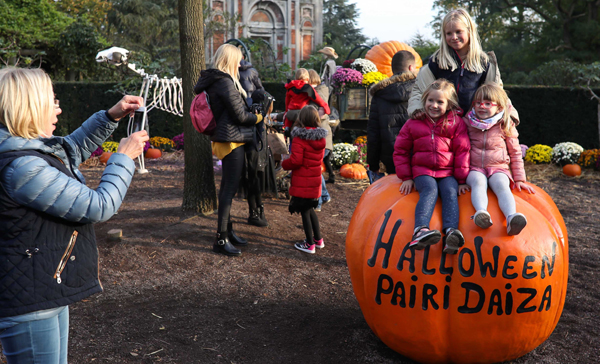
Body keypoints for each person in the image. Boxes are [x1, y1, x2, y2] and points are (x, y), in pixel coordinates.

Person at [0, 67, 148, 364]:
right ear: (30, 107)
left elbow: (68, 150)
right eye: (52, 100)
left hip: (41, 287)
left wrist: (110, 116)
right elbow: (99, 206)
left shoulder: (24, 150)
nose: (59, 107)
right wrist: (123, 158)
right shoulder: (23, 168)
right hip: (29, 302)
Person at [194, 44, 262, 257]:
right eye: (239, 59)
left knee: (228, 189)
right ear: (230, 60)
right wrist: (259, 117)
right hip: (230, 140)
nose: (241, 62)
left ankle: (228, 231)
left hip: (231, 138)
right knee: (228, 190)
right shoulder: (224, 82)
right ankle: (221, 239)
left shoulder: (223, 81)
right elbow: (240, 116)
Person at [394, 79, 470, 254]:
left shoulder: (456, 123)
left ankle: (451, 232)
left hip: (447, 173)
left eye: (440, 102)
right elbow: (400, 150)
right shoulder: (413, 123)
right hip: (423, 171)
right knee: (430, 191)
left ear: (449, 104)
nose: (434, 105)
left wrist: (461, 179)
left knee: (450, 193)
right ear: (424, 100)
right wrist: (406, 177)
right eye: (430, 100)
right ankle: (420, 230)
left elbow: (462, 151)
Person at [407, 8, 514, 120]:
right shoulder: (436, 62)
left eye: (458, 32)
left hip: (474, 126)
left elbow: (498, 94)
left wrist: (510, 116)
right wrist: (417, 108)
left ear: (469, 31)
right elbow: (419, 90)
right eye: (449, 33)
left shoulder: (484, 63)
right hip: (442, 126)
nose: (454, 37)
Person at [464, 83, 535, 235]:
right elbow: (460, 149)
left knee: (502, 185)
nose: (482, 106)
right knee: (478, 182)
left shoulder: (505, 125)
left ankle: (511, 218)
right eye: (478, 103)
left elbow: (515, 153)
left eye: (488, 103)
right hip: (474, 167)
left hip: (499, 167)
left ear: (499, 107)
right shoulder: (467, 123)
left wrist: (520, 179)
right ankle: (481, 213)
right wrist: (459, 179)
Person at [281, 106, 328, 254]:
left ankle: (309, 244)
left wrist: (284, 163)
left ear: (301, 119)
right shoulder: (320, 138)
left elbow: (296, 161)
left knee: (304, 211)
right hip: (314, 180)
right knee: (310, 209)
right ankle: (318, 240)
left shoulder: (300, 137)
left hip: (302, 180)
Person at [367, 50, 419, 180]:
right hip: (419, 156)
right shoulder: (423, 90)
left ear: (392, 69)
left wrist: (373, 164)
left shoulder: (380, 94)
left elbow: (373, 133)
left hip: (392, 158)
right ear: (411, 67)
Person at [244, 90, 275, 227]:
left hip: (258, 155)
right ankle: (255, 213)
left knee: (254, 184)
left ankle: (258, 211)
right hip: (254, 155)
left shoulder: (260, 116)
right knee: (253, 184)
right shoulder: (257, 116)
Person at [308, 70, 332, 211]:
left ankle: (317, 202)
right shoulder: (315, 92)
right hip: (321, 139)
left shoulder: (320, 91)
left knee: (314, 169)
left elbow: (322, 111)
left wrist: (306, 117)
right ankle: (324, 195)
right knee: (315, 169)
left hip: (322, 140)